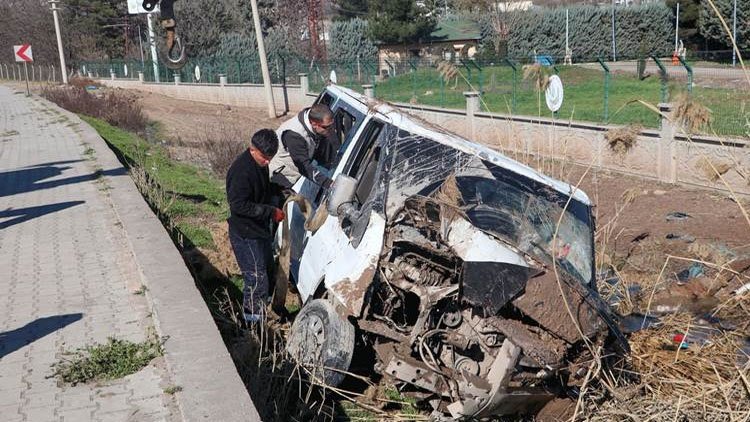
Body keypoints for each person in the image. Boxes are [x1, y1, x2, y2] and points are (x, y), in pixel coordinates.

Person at [226, 129, 285, 323]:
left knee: (268, 271)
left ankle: (264, 311)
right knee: (256, 278)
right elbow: (238, 205)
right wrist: (270, 211)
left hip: (259, 229)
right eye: (264, 157)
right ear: (252, 148)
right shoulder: (241, 171)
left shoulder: (260, 164)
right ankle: (252, 324)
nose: (268, 162)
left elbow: (261, 190)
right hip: (245, 233)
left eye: (270, 158)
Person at [271, 104, 339, 189]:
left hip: (299, 174)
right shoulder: (294, 135)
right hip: (283, 176)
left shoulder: (317, 123)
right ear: (314, 124)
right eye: (327, 127)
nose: (332, 129)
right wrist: (329, 184)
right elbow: (304, 166)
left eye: (332, 125)